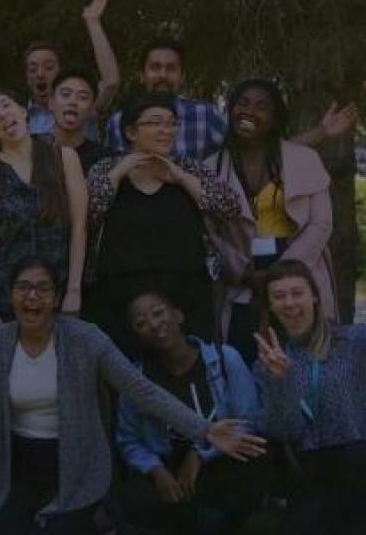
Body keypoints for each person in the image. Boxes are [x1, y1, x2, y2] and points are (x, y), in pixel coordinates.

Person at [0, 257, 265, 535]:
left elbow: (140, 390)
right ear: (11, 295)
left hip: (76, 463)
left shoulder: (84, 339)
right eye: (22, 288)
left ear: (56, 297)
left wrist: (205, 430)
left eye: (42, 289)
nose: (31, 297)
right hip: (17, 465)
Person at [254, 227, 366, 535]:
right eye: (279, 296)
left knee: (357, 468)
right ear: (270, 307)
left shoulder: (359, 341)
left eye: (297, 293)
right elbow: (284, 431)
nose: (290, 303)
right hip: (323, 476)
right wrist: (280, 382)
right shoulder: (270, 363)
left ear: (315, 298)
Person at [86, 91, 239, 354]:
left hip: (186, 293)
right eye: (155, 122)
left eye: (171, 123)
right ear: (131, 131)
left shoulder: (189, 168)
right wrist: (122, 169)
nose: (165, 130)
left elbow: (228, 208)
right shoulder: (105, 169)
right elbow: (88, 212)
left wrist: (180, 177)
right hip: (120, 295)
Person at [205, 80, 338, 363]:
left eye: (261, 105)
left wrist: (280, 274)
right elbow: (209, 234)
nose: (249, 111)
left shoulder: (305, 159)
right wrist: (244, 273)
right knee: (244, 365)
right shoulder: (212, 167)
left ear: (276, 118)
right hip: (242, 283)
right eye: (242, 103)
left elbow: (320, 225)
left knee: (306, 363)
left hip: (300, 279)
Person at [116, 291, 264, 535]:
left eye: (158, 312)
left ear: (178, 315)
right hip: (166, 464)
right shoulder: (135, 379)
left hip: (218, 459)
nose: (153, 324)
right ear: (138, 336)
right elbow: (128, 440)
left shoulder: (225, 358)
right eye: (141, 323)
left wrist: (199, 454)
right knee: (135, 499)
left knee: (245, 472)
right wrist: (157, 471)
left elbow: (248, 422)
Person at [105, 41, 358, 160]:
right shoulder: (119, 122)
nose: (162, 75)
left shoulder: (205, 116)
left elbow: (259, 144)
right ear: (142, 74)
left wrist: (322, 131)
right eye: (155, 67)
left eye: (171, 68)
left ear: (181, 76)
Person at [0, 92, 87, 333]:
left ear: (24, 111)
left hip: (60, 290)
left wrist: (74, 290)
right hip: (9, 297)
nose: (2, 115)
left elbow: (79, 226)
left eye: (6, 105)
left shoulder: (64, 157)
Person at [22, 0, 120, 136]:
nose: (40, 74)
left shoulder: (81, 104)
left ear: (61, 72)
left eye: (49, 67)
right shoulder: (19, 116)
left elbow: (110, 83)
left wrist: (92, 22)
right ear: (26, 77)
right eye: (33, 69)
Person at [48, 70, 112, 175]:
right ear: (51, 103)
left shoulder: (102, 158)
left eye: (83, 97)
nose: (73, 102)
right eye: (65, 94)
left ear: (92, 109)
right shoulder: (32, 147)